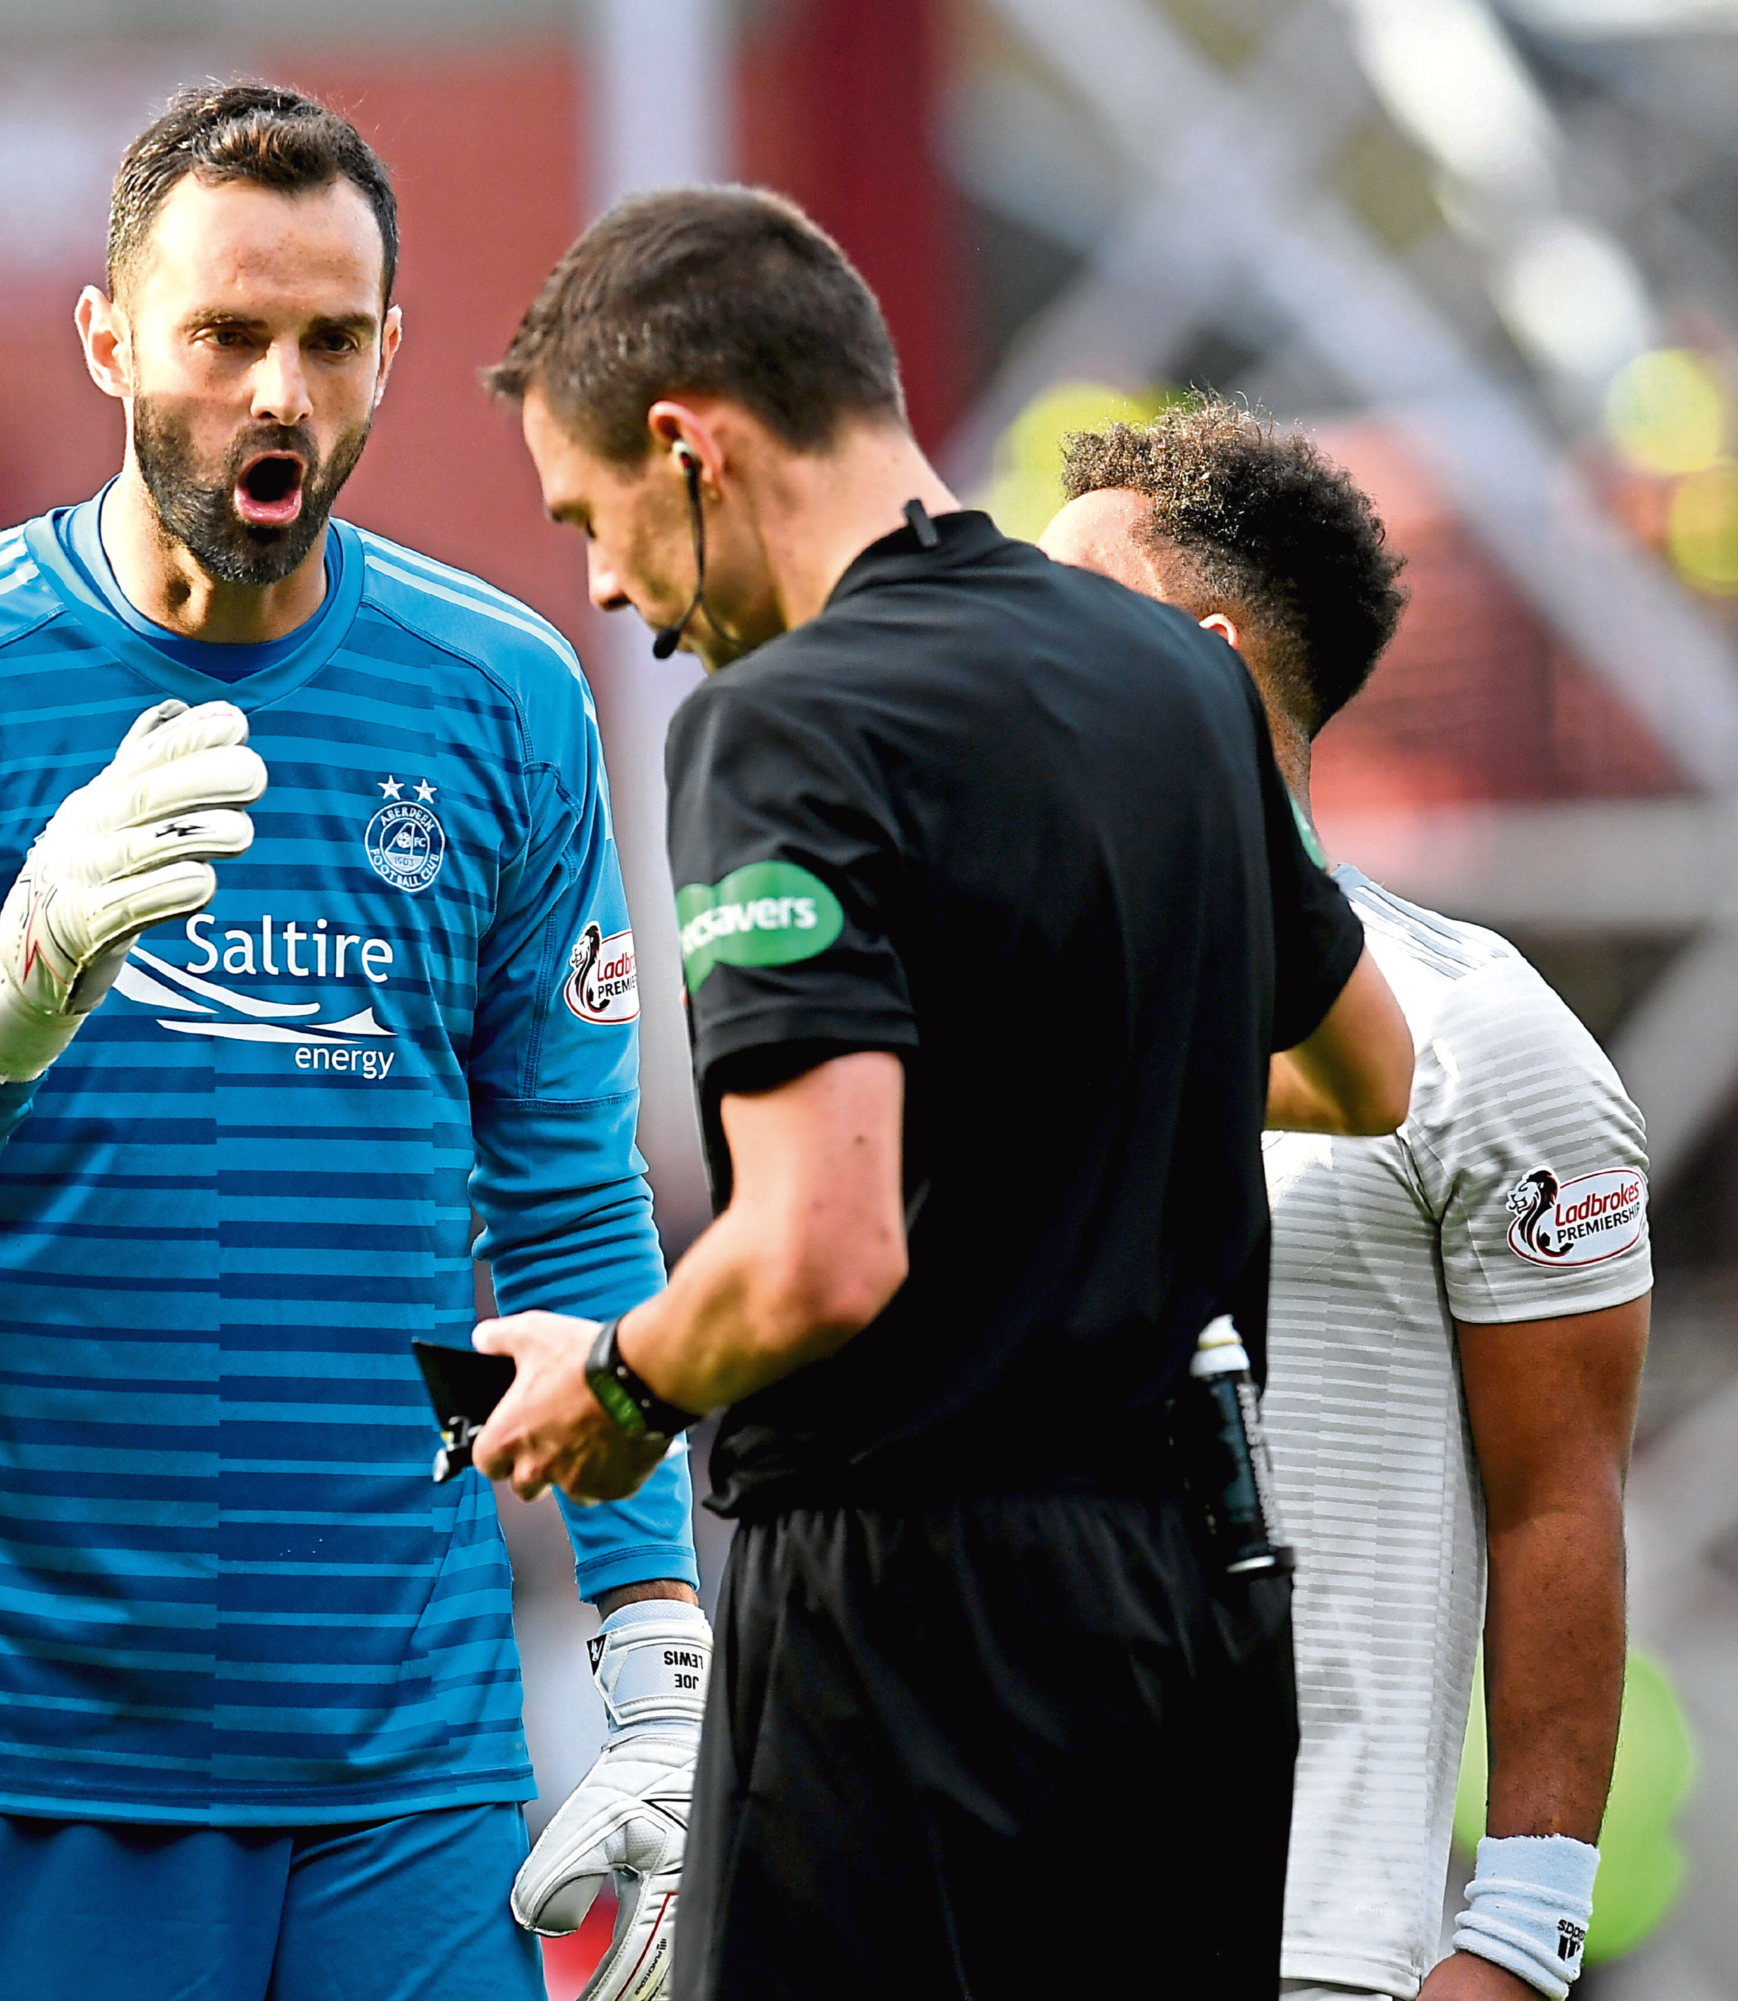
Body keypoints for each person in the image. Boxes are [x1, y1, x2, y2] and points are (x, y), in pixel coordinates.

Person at [0, 83, 705, 2001]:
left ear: (389, 355)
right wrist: (16, 994)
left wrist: (649, 1637)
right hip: (21, 1749)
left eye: (329, 341)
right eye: (224, 335)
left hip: (410, 1751)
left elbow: (569, 1198)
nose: (279, 390)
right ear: (109, 339)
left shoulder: (501, 698)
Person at [470, 186, 1417, 2000]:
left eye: (591, 517)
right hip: (1192, 1605)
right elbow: (1366, 1069)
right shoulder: (1177, 675)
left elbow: (819, 1253)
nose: (604, 586)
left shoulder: (782, 726)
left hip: (909, 1630)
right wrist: (1057, 1091)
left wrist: (616, 1381)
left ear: (691, 449)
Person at [1042, 401, 1649, 2001]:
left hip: (1305, 1944)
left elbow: (1560, 1504)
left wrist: (1519, 1941)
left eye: (1062, 619)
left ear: (1213, 670)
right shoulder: (967, 1016)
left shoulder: (1482, 1036)